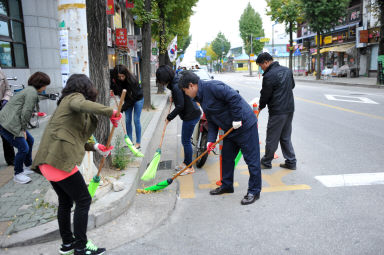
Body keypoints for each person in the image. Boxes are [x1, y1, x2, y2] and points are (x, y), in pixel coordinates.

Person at [32, 74, 122, 255]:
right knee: (83, 200)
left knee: (65, 202)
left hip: (49, 162)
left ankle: (67, 244)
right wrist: (110, 111)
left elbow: (78, 138)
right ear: (85, 87)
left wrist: (97, 147)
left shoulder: (73, 108)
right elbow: (81, 104)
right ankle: (81, 247)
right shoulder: (73, 98)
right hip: (59, 161)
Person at [179, 71, 262, 205]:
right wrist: (211, 139)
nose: (186, 94)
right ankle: (227, 185)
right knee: (227, 158)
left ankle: (254, 191)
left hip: (244, 126)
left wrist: (237, 119)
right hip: (230, 130)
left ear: (191, 86)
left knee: (252, 161)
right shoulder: (200, 97)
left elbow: (234, 98)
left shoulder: (213, 87)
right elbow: (211, 118)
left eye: (185, 91)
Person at [0, 72, 50, 184]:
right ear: (40, 84)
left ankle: (28, 166)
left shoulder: (29, 90)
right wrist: (23, 129)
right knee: (23, 148)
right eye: (45, 85)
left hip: (10, 121)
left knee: (30, 140)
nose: (46, 87)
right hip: (8, 124)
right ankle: (18, 174)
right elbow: (26, 112)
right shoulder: (32, 93)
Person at [156, 65, 201, 176]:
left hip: (190, 115)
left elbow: (180, 106)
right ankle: (186, 162)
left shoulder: (176, 86)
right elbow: (180, 98)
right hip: (192, 112)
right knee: (185, 140)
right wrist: (174, 97)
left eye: (161, 80)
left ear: (165, 78)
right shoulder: (176, 81)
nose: (161, 83)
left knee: (185, 141)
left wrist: (169, 117)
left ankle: (189, 167)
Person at [256, 52, 297, 170]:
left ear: (266, 62)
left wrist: (260, 107)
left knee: (272, 137)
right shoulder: (287, 70)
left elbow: (265, 95)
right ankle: (291, 162)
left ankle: (266, 162)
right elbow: (292, 86)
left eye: (261, 65)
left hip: (277, 111)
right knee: (285, 136)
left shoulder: (269, 76)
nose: (261, 68)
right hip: (289, 109)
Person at [111, 65, 144, 149]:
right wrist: (113, 86)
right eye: (119, 76)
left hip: (137, 99)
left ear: (126, 74)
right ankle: (130, 142)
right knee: (127, 120)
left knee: (136, 120)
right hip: (128, 99)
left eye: (122, 76)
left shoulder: (132, 80)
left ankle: (138, 143)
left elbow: (132, 98)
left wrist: (122, 108)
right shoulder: (116, 80)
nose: (121, 78)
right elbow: (116, 92)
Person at [0, 68, 15, 165]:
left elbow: (8, 89)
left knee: (6, 134)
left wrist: (6, 99)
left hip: (2, 106)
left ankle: (11, 160)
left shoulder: (0, 71)